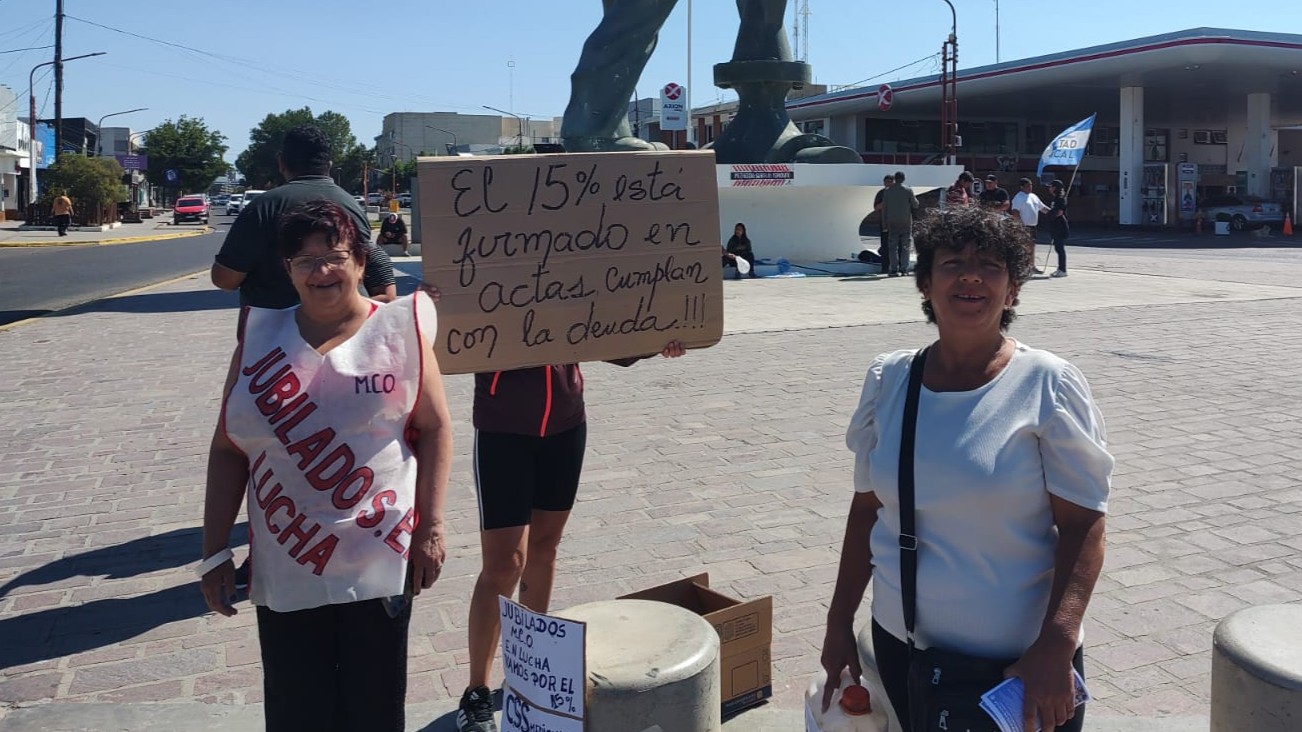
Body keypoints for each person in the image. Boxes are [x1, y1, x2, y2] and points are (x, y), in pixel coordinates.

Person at [820, 204, 1112, 732]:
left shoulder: (1047, 384)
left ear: (1014, 289)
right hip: (901, 646)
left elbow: (1084, 523)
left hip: (1018, 665)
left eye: (991, 265)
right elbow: (867, 511)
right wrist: (839, 622)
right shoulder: (890, 380)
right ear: (926, 284)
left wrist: (1058, 642)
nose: (971, 275)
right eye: (952, 262)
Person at [200, 200, 454, 732]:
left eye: (335, 255)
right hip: (288, 559)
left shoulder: (398, 330)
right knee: (296, 707)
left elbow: (434, 428)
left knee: (375, 707)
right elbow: (228, 448)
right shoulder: (259, 338)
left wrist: (431, 527)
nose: (321, 271)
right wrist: (213, 550)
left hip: (380, 556)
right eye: (304, 260)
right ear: (287, 271)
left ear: (361, 262)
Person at [457, 346, 686, 732]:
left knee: (545, 549)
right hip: (503, 429)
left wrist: (653, 338)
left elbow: (602, 331)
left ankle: (528, 670)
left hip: (566, 423)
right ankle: (476, 691)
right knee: (504, 565)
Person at [212, 124, 397, 309]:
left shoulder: (263, 207)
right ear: (329, 165)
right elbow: (377, 265)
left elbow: (225, 279)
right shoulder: (351, 205)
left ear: (281, 162)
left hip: (275, 328)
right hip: (347, 327)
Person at [880, 171, 919, 277]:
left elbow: (884, 209)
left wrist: (884, 223)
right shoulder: (908, 190)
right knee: (905, 246)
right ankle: (904, 269)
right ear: (903, 179)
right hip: (905, 222)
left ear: (895, 179)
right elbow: (915, 205)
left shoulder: (888, 191)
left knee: (893, 247)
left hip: (892, 222)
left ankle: (893, 268)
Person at [1011, 178, 1051, 273]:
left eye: (1031, 185)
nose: (1030, 187)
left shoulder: (1033, 196)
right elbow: (1015, 212)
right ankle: (1021, 267)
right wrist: (1020, 226)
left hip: (1033, 226)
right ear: (1022, 187)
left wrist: (1053, 212)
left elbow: (1043, 208)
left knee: (1031, 246)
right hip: (1023, 226)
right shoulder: (1018, 197)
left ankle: (1031, 266)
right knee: (1023, 247)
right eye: (1028, 185)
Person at [1048, 179, 1070, 278]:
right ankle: (1060, 268)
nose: (1049, 188)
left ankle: (1063, 269)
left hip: (1060, 226)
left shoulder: (1060, 198)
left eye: (1051, 186)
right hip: (1055, 226)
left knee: (1060, 248)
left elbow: (1060, 212)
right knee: (1057, 247)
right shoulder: (1054, 198)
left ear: (1055, 187)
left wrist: (1052, 216)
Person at [874, 174, 896, 274]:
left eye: (891, 182)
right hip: (884, 223)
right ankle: (885, 268)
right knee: (885, 246)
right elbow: (876, 207)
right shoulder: (881, 193)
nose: (888, 184)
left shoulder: (899, 193)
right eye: (887, 182)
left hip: (897, 223)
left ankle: (896, 267)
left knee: (897, 246)